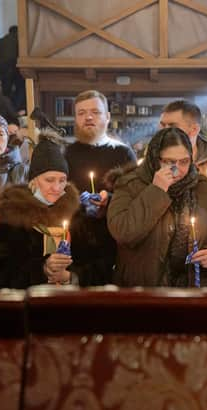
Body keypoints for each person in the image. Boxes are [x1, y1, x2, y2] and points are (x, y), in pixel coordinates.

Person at [107, 127, 207, 287]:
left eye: (184, 162)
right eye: (169, 162)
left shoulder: (204, 187)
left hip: (194, 291)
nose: (177, 169)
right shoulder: (130, 184)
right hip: (144, 291)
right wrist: (156, 191)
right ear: (155, 159)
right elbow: (123, 232)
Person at [65, 90, 136, 285]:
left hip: (114, 244)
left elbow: (135, 196)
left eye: (95, 112)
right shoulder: (66, 153)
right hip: (76, 244)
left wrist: (110, 199)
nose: (88, 117)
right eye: (81, 113)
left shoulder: (123, 153)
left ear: (108, 116)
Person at [0, 131, 80, 288]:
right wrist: (43, 270)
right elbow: (1, 273)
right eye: (49, 180)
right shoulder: (14, 218)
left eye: (62, 181)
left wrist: (70, 276)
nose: (56, 187)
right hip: (30, 306)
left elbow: (96, 265)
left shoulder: (77, 215)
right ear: (33, 181)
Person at [159, 100, 207, 210]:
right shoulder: (154, 161)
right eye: (163, 126)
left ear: (194, 129)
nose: (164, 132)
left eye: (172, 126)